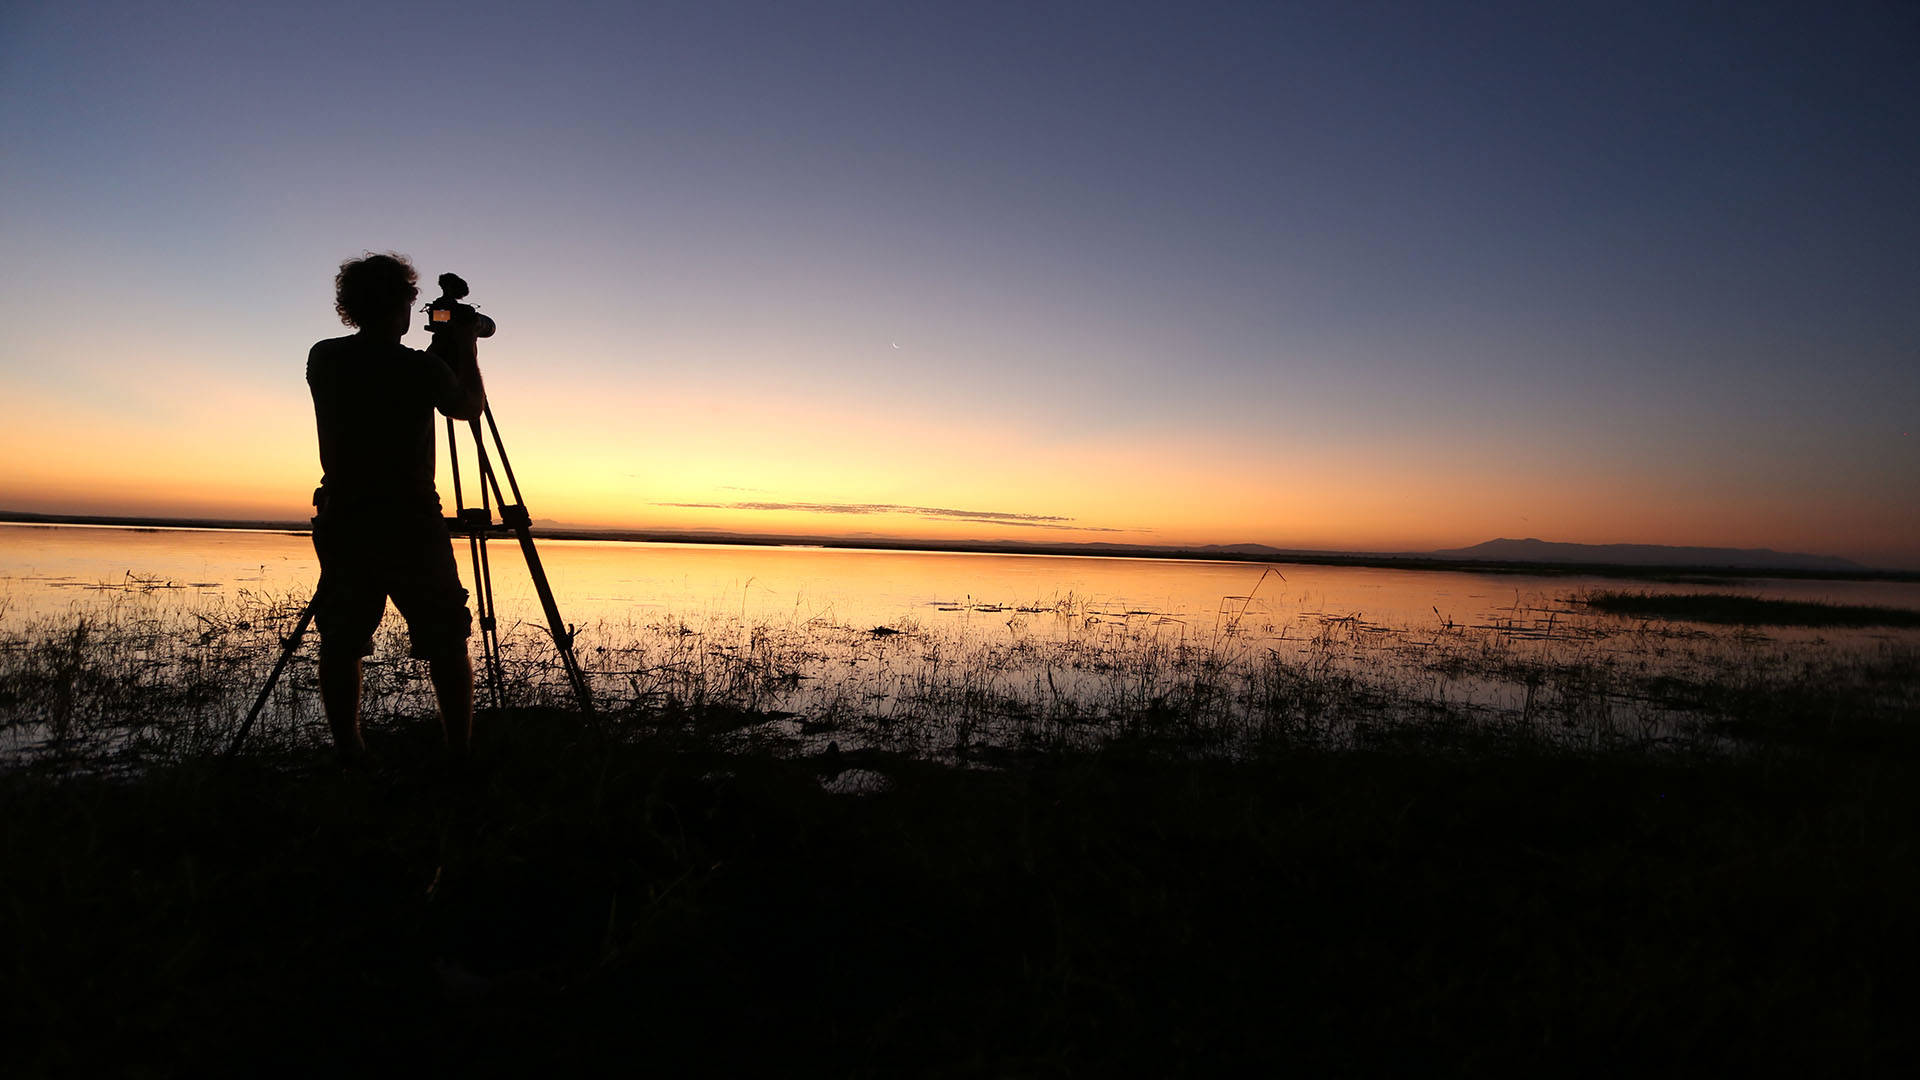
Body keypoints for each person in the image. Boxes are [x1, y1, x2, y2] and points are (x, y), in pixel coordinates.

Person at [307, 252, 485, 761]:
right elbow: (465, 406)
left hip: (344, 514)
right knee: (446, 635)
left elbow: (389, 372)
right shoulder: (420, 367)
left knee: (342, 636)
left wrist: (436, 352)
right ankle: (459, 754)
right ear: (404, 304)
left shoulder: (324, 357)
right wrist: (465, 348)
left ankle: (351, 753)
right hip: (410, 519)